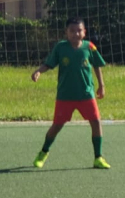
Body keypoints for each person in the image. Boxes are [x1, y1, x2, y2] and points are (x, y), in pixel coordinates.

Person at [31, 17, 111, 169]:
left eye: (79, 30)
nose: (76, 33)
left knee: (96, 122)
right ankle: (43, 152)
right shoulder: (61, 47)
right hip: (65, 95)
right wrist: (38, 72)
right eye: (72, 31)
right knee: (57, 125)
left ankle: (98, 157)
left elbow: (97, 65)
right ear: (66, 33)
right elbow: (49, 63)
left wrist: (101, 85)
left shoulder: (89, 47)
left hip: (86, 94)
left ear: (84, 32)